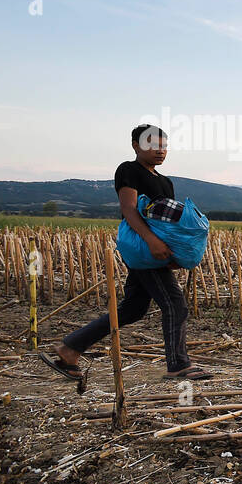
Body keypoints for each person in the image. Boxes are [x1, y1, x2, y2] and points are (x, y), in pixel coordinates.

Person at [41, 124, 208, 381]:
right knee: (175, 305)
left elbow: (168, 226)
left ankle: (69, 349)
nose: (160, 151)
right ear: (135, 146)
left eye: (164, 146)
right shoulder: (128, 170)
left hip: (154, 251)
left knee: (133, 309)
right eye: (152, 145)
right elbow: (129, 210)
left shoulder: (165, 182)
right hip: (143, 248)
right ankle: (178, 365)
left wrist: (173, 253)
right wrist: (152, 241)